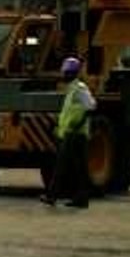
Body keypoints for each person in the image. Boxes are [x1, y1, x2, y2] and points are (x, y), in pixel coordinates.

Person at [41, 56, 97, 208]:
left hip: (75, 134)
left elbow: (91, 106)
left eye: (67, 73)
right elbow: (68, 112)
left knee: (61, 166)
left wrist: (77, 125)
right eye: (64, 72)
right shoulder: (72, 89)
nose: (64, 75)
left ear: (74, 73)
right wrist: (57, 125)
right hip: (70, 133)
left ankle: (52, 196)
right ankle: (82, 199)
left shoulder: (79, 88)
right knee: (79, 168)